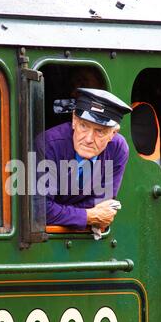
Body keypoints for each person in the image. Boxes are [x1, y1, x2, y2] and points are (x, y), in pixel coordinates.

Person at [40, 88, 132, 231]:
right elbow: (39, 208)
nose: (89, 139)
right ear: (74, 121)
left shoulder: (118, 148)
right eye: (84, 126)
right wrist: (88, 216)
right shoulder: (48, 145)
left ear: (113, 134)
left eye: (99, 131)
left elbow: (102, 203)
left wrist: (63, 213)